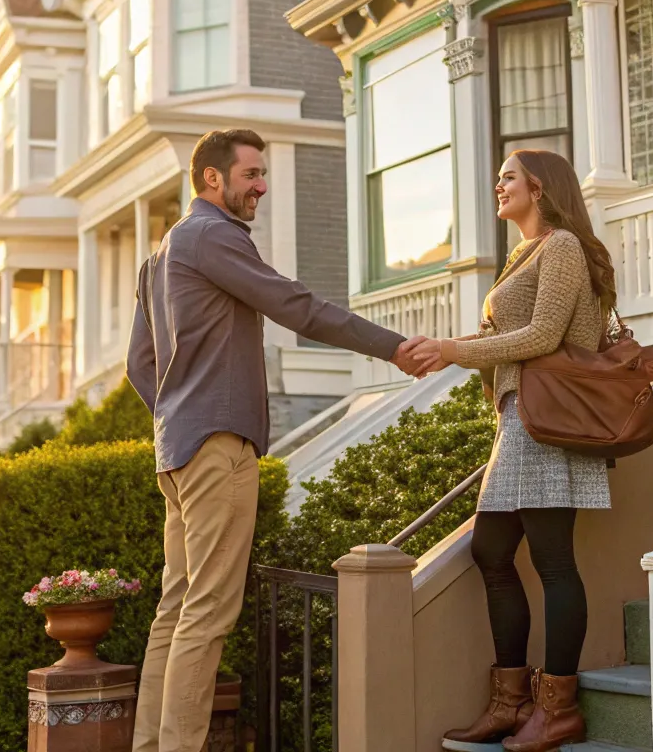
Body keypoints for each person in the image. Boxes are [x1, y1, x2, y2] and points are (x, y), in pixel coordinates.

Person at [126, 128, 436, 752]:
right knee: (208, 612)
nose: (261, 186)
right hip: (216, 444)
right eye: (251, 175)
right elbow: (296, 307)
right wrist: (393, 347)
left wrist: (176, 414)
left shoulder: (161, 254)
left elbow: (140, 363)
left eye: (262, 174)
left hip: (178, 448)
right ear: (212, 179)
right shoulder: (214, 236)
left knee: (176, 609)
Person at [411, 147, 615, 752]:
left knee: (553, 560)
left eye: (509, 177)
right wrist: (444, 350)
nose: (498, 185)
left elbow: (545, 336)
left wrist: (452, 350)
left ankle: (558, 708)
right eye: (498, 176)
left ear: (541, 187)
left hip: (548, 418)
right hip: (518, 418)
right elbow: (507, 338)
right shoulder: (524, 253)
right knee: (492, 548)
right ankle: (510, 700)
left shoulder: (564, 247)